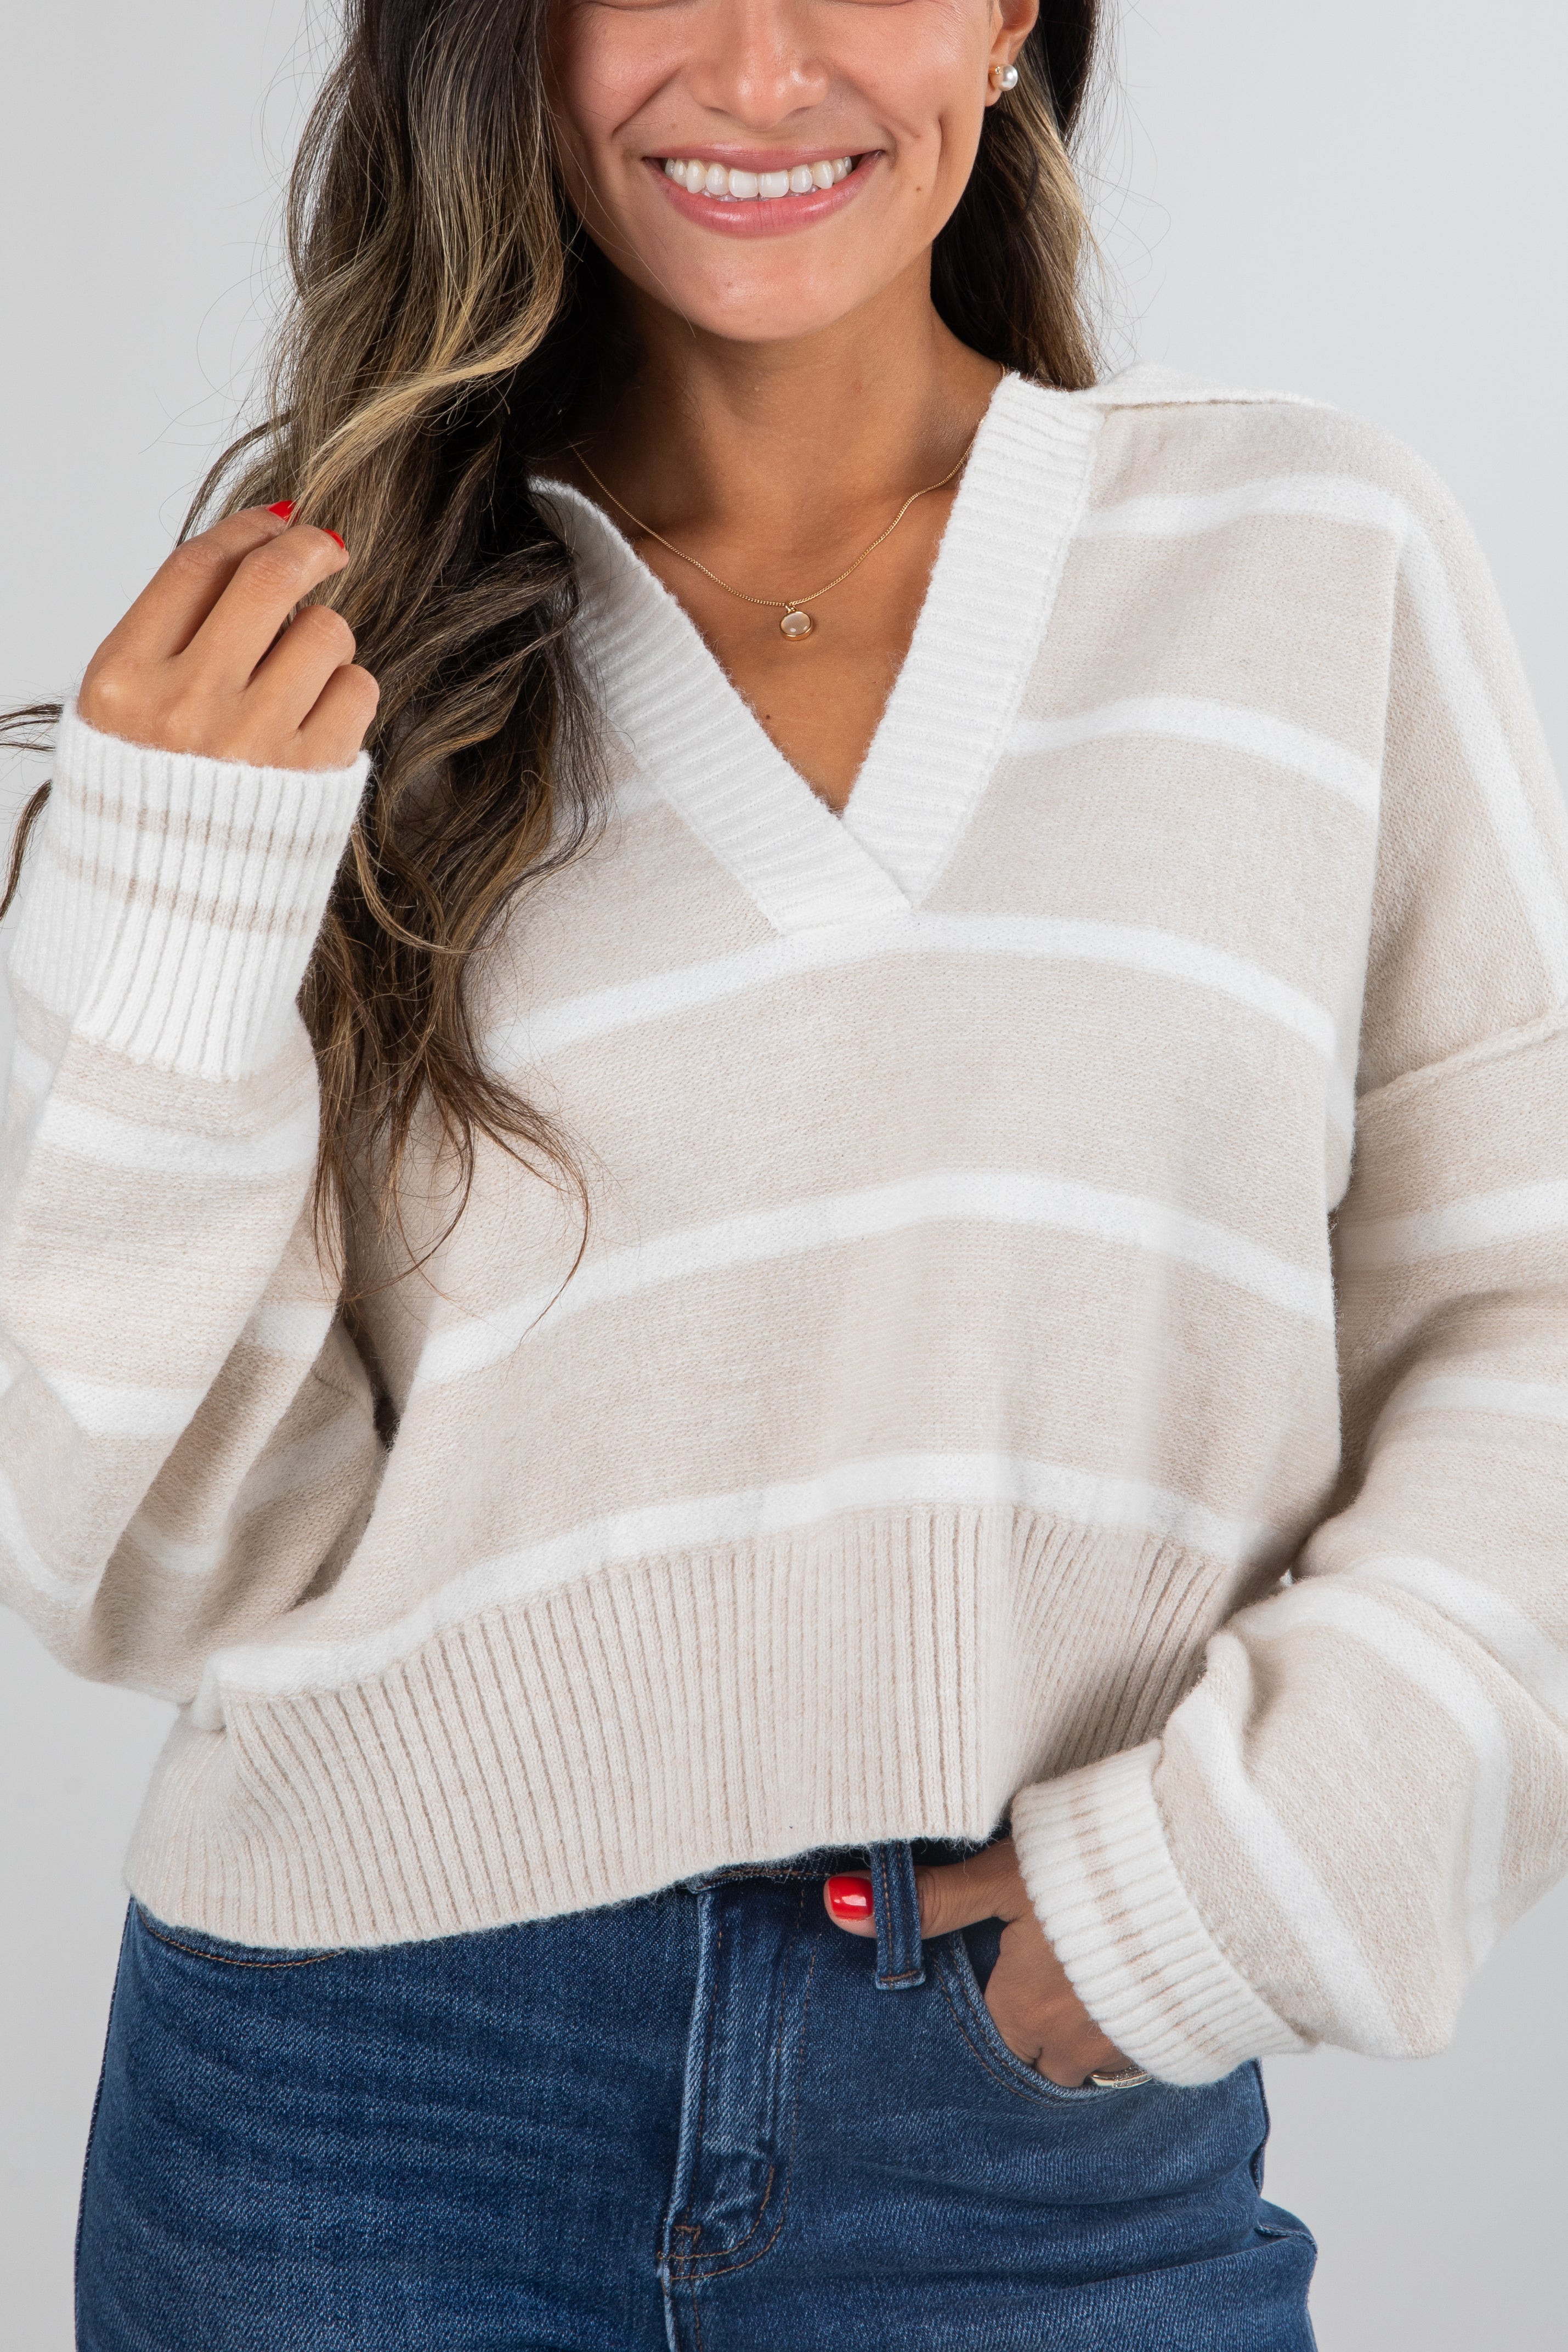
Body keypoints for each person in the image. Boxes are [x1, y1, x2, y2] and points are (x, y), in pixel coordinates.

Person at [2, 0, 1565, 2341]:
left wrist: (1230, 1888)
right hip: (353, 2115)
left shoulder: (1304, 557)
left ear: (1016, 13)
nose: (756, 61)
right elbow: (130, 1555)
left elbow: (1522, 1311)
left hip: (1038, 2141)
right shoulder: (317, 657)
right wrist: (170, 916)